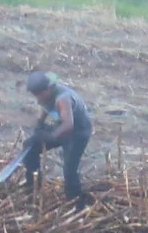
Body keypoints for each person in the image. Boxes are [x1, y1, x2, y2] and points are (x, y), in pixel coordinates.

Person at [19, 70, 94, 202]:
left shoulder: (62, 99)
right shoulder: (44, 96)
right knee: (29, 147)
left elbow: (68, 125)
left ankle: (76, 202)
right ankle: (33, 185)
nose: (37, 98)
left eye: (39, 94)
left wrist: (51, 136)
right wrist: (40, 125)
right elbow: (45, 107)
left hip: (78, 133)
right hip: (62, 127)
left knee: (69, 171)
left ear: (47, 89)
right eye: (35, 94)